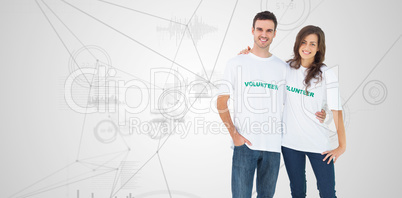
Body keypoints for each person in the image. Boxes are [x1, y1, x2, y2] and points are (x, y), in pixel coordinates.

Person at [217, 11, 326, 198]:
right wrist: (234, 135)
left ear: (275, 33)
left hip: (273, 147)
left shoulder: (284, 68)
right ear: (252, 30)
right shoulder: (236, 63)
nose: (264, 34)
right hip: (245, 145)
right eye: (259, 29)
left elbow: (299, 97)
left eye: (269, 30)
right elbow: (221, 102)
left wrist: (323, 111)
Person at [239, 25, 346, 198]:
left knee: (327, 193)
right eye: (304, 42)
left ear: (319, 47)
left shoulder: (326, 74)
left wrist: (342, 146)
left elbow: (337, 110)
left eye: (313, 44)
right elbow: (262, 71)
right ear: (297, 44)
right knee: (297, 192)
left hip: (318, 145)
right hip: (290, 144)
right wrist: (247, 57)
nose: (307, 47)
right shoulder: (285, 68)